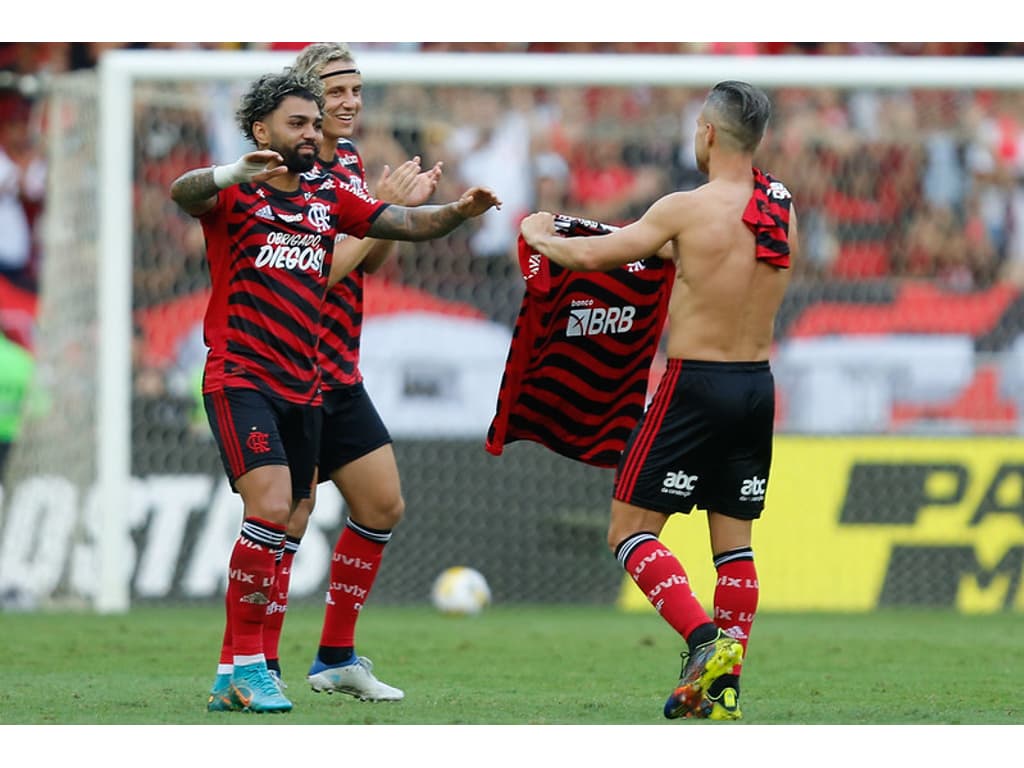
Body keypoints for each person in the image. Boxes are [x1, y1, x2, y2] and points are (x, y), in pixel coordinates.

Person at [169, 68, 500, 714]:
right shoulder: (236, 195)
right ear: (262, 130)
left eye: (315, 124)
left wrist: (458, 212)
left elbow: (398, 224)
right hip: (241, 376)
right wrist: (234, 172)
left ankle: (242, 674)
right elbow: (185, 192)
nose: (311, 133)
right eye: (298, 123)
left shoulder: (327, 191)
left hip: (307, 384)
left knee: (294, 514)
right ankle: (247, 667)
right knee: (268, 511)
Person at [519, 80, 797, 722]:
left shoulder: (684, 208)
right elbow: (730, 261)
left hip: (694, 385)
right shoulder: (781, 206)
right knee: (734, 547)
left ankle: (706, 645)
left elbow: (592, 256)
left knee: (628, 531)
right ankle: (723, 694)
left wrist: (539, 232)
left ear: (707, 134)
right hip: (757, 386)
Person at [238, 41, 442, 703]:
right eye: (337, 92)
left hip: (340, 368)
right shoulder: (283, 172)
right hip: (291, 368)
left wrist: (387, 216)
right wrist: (378, 211)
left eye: (357, 90)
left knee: (382, 502)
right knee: (290, 518)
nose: (351, 102)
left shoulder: (349, 160)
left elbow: (369, 260)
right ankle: (258, 664)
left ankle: (334, 656)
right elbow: (312, 268)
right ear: (305, 100)